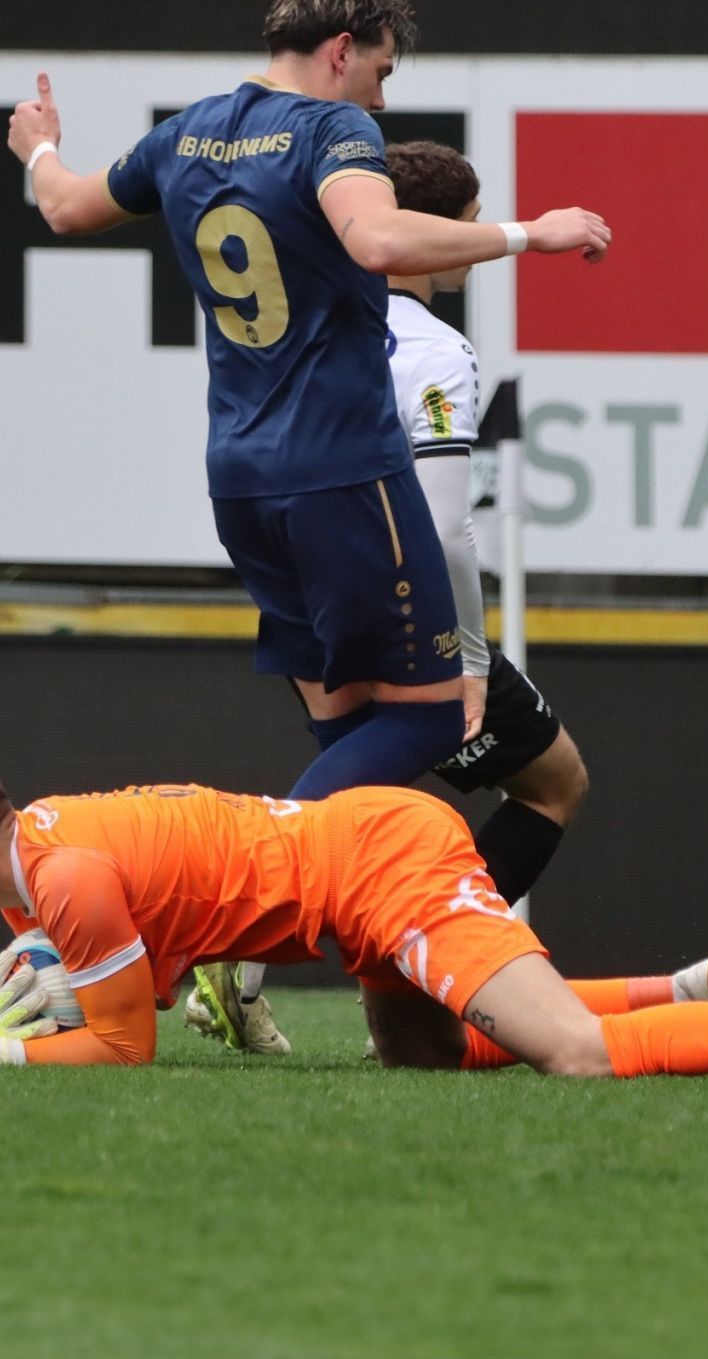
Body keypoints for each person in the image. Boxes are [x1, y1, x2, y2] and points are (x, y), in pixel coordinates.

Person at [3, 1, 611, 822]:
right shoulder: (334, 131)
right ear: (338, 51)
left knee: (355, 736)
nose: (381, 102)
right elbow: (380, 243)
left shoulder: (187, 132)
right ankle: (241, 901)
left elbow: (66, 207)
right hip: (345, 472)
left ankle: (348, 940)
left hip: (241, 481)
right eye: (381, 72)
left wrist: (39, 144)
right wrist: (529, 234)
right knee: (433, 716)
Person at [186, 140, 594, 1055]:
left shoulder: (311, 322)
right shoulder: (438, 351)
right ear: (443, 235)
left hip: (287, 576)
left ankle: (259, 963)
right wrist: (473, 660)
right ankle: (393, 968)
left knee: (357, 803)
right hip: (394, 598)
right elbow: (446, 529)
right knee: (554, 780)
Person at [0, 748, 708, 1086]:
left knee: (571, 1055)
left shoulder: (61, 876)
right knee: (420, 1053)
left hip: (377, 861)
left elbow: (123, 1046)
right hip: (346, 884)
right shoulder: (48, 863)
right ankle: (678, 990)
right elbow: (147, 977)